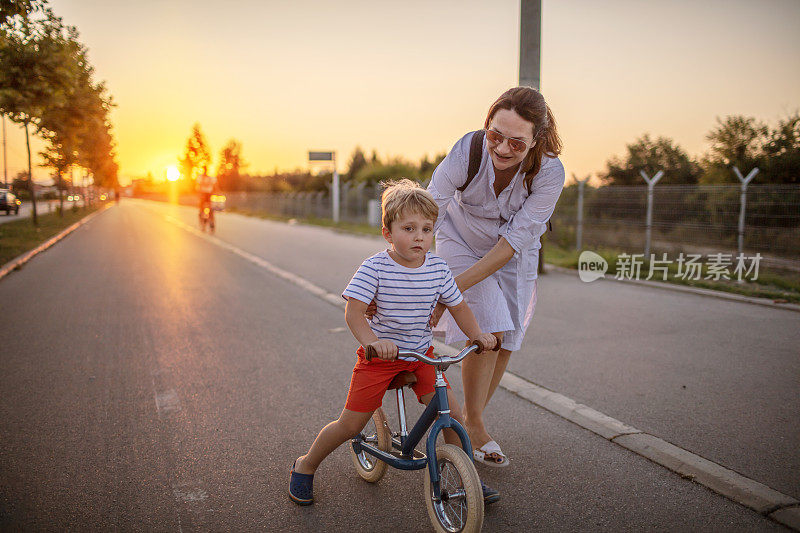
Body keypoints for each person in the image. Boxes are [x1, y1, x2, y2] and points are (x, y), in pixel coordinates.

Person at [289, 179, 500, 506]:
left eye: (427, 229)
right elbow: (354, 312)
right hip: (380, 357)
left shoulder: (438, 269)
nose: (419, 236)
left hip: (420, 355)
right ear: (387, 232)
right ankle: (306, 465)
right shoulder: (375, 267)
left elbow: (458, 306)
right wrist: (373, 341)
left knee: (454, 416)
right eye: (409, 228)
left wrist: (477, 335)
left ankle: (466, 475)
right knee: (350, 424)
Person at [427, 86, 565, 467]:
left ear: (537, 140)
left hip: (513, 252)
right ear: (486, 126)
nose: (503, 149)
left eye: (516, 143)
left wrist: (449, 292)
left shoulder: (550, 171)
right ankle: (474, 426)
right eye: (495, 135)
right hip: (460, 238)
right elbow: (430, 208)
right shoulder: (467, 150)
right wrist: (409, 270)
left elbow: (510, 244)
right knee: (487, 321)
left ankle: (468, 421)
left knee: (505, 338)